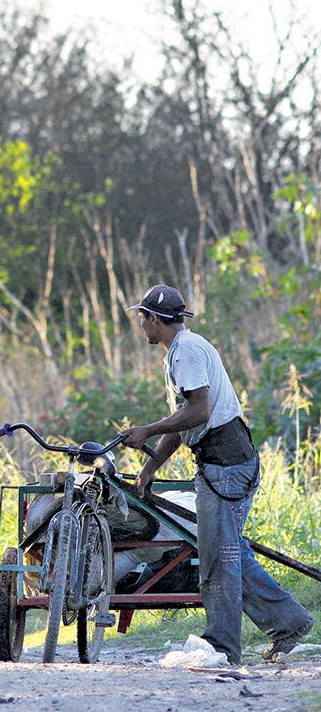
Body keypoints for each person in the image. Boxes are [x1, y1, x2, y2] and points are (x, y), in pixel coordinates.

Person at [118, 284, 313, 665]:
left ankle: (223, 645)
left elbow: (199, 412)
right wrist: (150, 468)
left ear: (153, 319)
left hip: (226, 463)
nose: (141, 326)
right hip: (223, 460)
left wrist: (146, 430)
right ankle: (289, 622)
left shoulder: (186, 352)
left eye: (142, 318)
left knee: (218, 560)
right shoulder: (181, 350)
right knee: (230, 552)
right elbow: (183, 421)